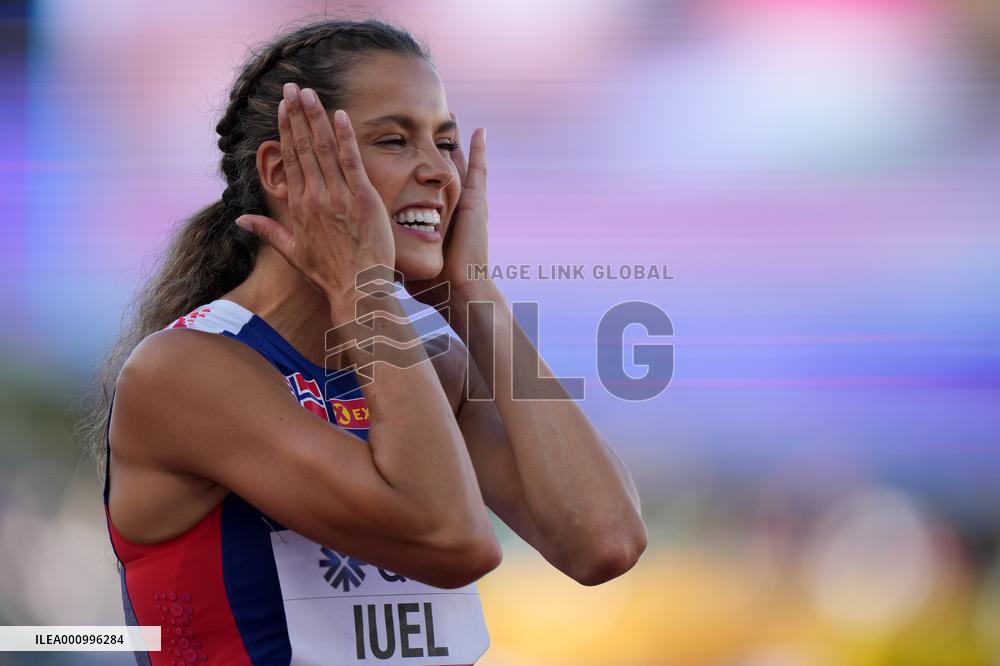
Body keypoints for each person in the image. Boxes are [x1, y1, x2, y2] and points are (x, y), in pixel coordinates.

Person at [79, 17, 647, 666]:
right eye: (395, 140)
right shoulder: (186, 371)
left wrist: (477, 299)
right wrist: (364, 290)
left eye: (446, 141)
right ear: (284, 172)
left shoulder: (436, 370)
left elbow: (604, 541)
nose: (438, 171)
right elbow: (452, 540)